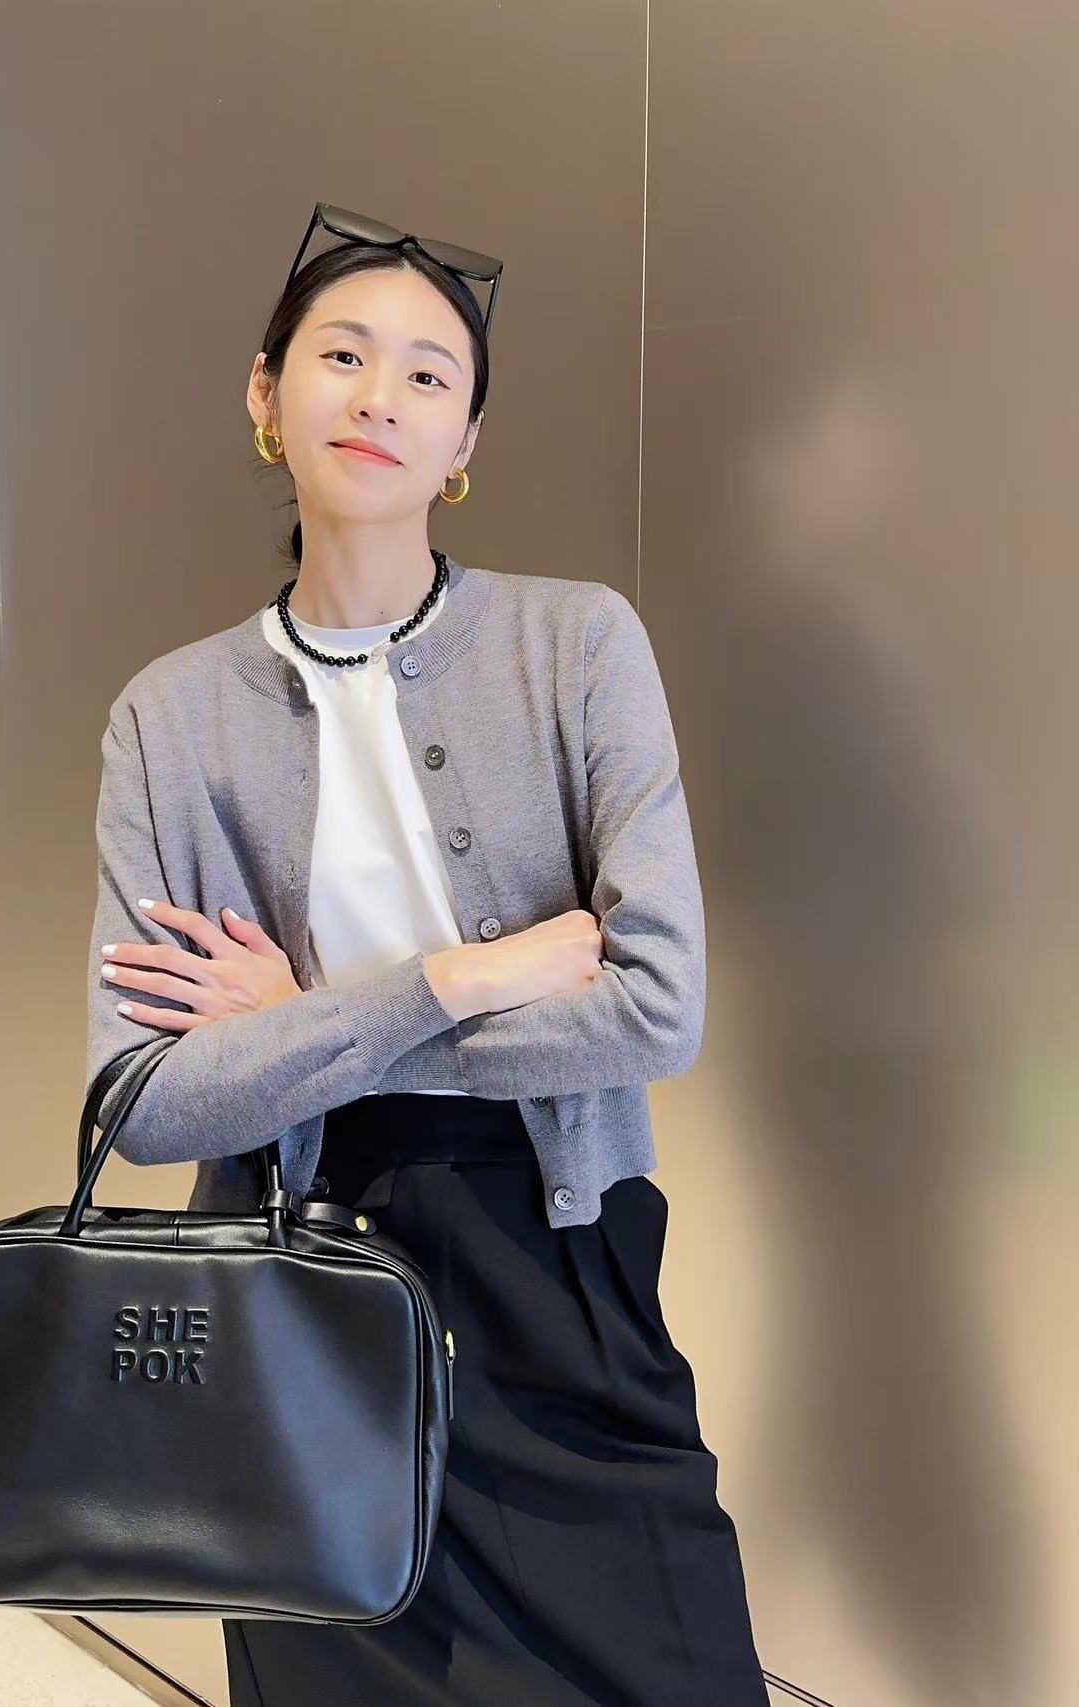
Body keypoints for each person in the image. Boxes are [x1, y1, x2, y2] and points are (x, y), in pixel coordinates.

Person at [84, 206, 768, 1705]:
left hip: (559, 1245)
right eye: (341, 356)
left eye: (427, 373)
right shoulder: (168, 718)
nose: (380, 396)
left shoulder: (576, 645)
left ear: (465, 442)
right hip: (292, 1271)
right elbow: (146, 1101)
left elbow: (657, 1007)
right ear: (265, 396)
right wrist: (456, 976)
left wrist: (298, 1024)